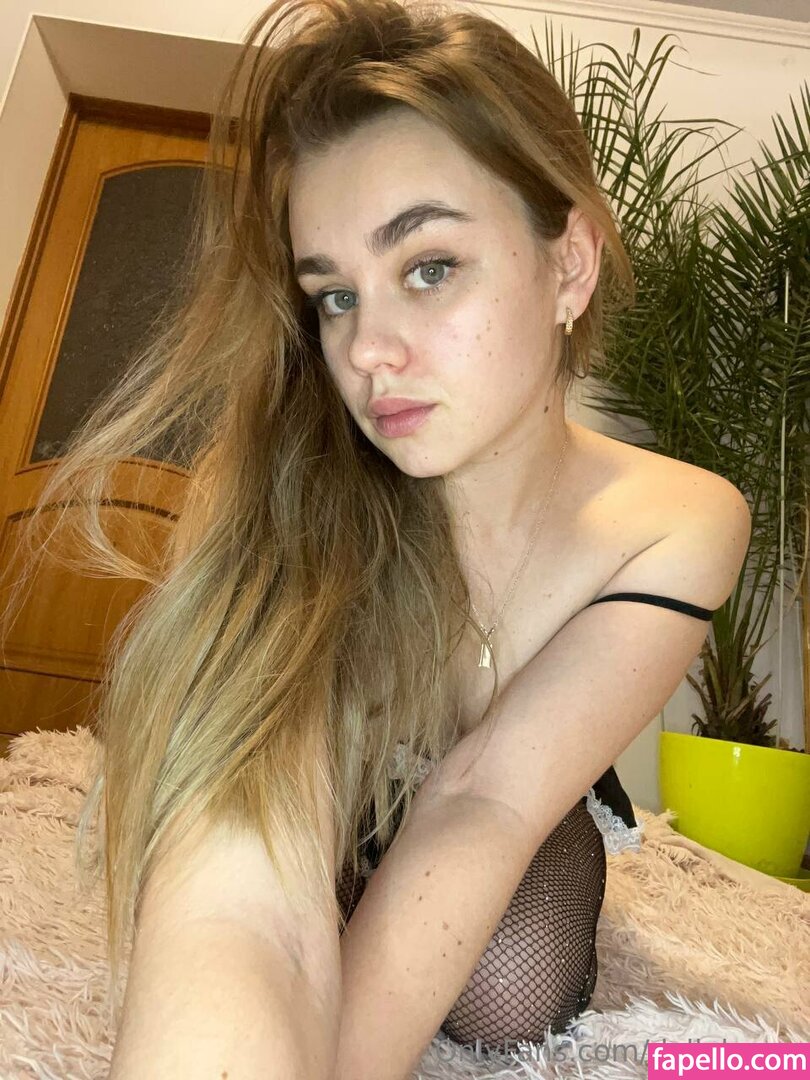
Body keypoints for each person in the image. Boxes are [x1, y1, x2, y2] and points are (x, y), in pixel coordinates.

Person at [6, 1, 749, 1077]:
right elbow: (240, 858)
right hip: (336, 777)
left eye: (430, 267)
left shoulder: (679, 518)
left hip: (514, 786)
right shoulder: (269, 491)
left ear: (571, 265)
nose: (367, 351)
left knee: (513, 977)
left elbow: (489, 797)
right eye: (335, 296)